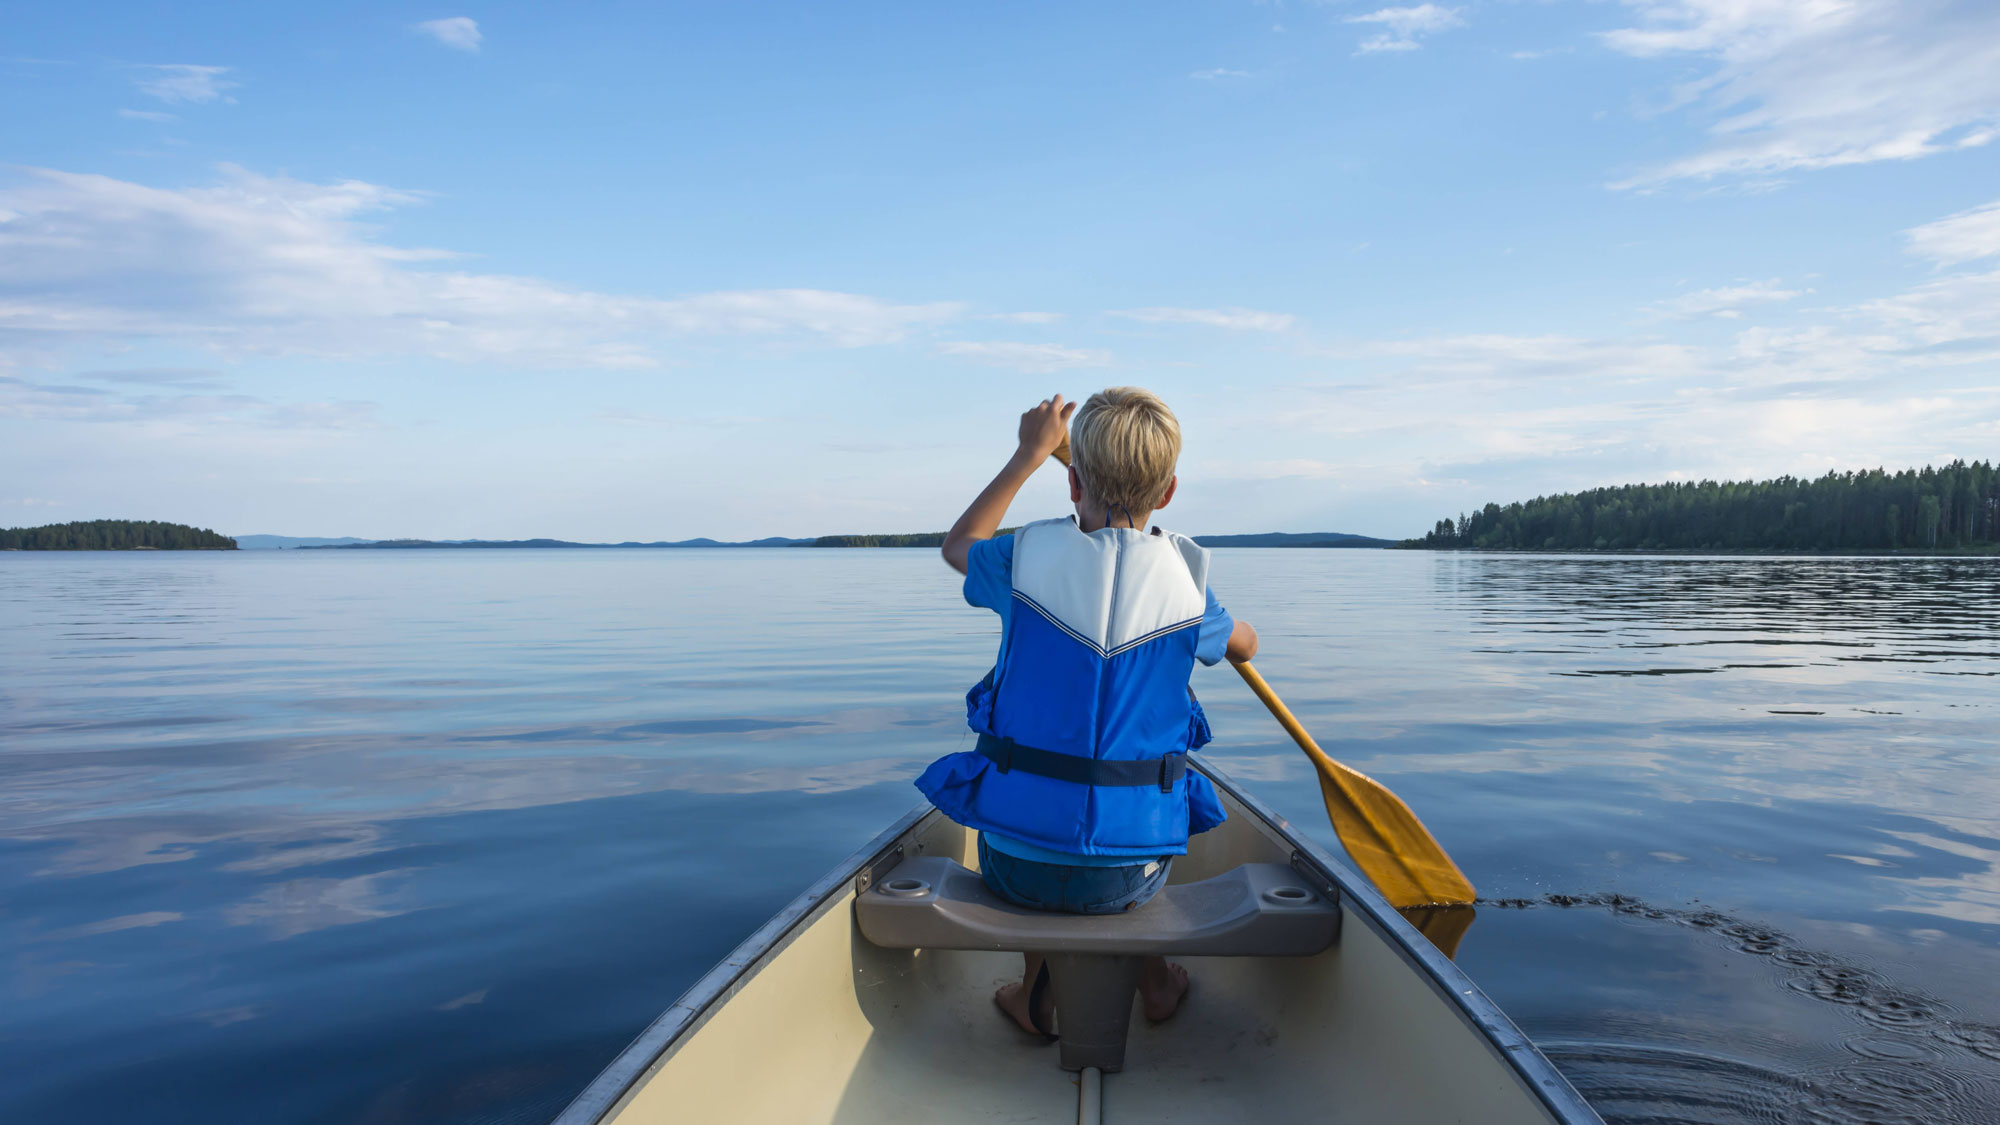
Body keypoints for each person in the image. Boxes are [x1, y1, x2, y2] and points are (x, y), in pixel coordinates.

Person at [915, 388, 1259, 1040]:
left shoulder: (1021, 560)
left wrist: (1027, 454)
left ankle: (1032, 992)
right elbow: (1245, 645)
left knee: (1041, 836)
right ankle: (1155, 982)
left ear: (1071, 483)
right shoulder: (1189, 588)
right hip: (1130, 873)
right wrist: (1232, 629)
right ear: (1169, 493)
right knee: (1128, 844)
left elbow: (959, 545)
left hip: (1013, 863)